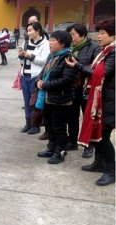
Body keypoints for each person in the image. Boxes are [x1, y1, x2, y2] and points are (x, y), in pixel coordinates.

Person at [65, 18, 115, 186]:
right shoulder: (105, 51)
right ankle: (99, 163)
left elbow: (100, 74)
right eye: (98, 33)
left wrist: (77, 66)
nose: (99, 36)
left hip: (108, 101)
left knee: (104, 137)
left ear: (113, 35)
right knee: (97, 136)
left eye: (102, 33)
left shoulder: (113, 53)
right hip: (99, 98)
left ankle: (111, 171)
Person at [36, 30, 77, 164]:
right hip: (49, 98)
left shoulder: (68, 58)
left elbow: (67, 80)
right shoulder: (52, 56)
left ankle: (59, 152)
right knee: (50, 125)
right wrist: (39, 80)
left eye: (54, 40)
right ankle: (51, 148)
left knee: (59, 127)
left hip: (61, 99)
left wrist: (45, 85)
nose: (50, 42)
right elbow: (43, 72)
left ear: (63, 43)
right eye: (51, 39)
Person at [64, 23, 101, 158]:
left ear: (83, 34)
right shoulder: (69, 48)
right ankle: (73, 141)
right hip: (72, 87)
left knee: (87, 116)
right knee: (72, 115)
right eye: (70, 35)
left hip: (87, 88)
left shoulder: (94, 48)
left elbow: (95, 71)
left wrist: (77, 65)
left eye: (73, 34)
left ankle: (88, 145)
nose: (71, 37)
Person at [18, 22, 50, 134]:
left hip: (36, 77)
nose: (28, 33)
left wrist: (30, 56)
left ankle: (35, 125)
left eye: (30, 30)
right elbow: (21, 61)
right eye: (27, 30)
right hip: (25, 75)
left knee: (35, 102)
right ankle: (28, 123)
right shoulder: (25, 43)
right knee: (26, 102)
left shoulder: (45, 44)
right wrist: (21, 56)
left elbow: (44, 61)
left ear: (38, 30)